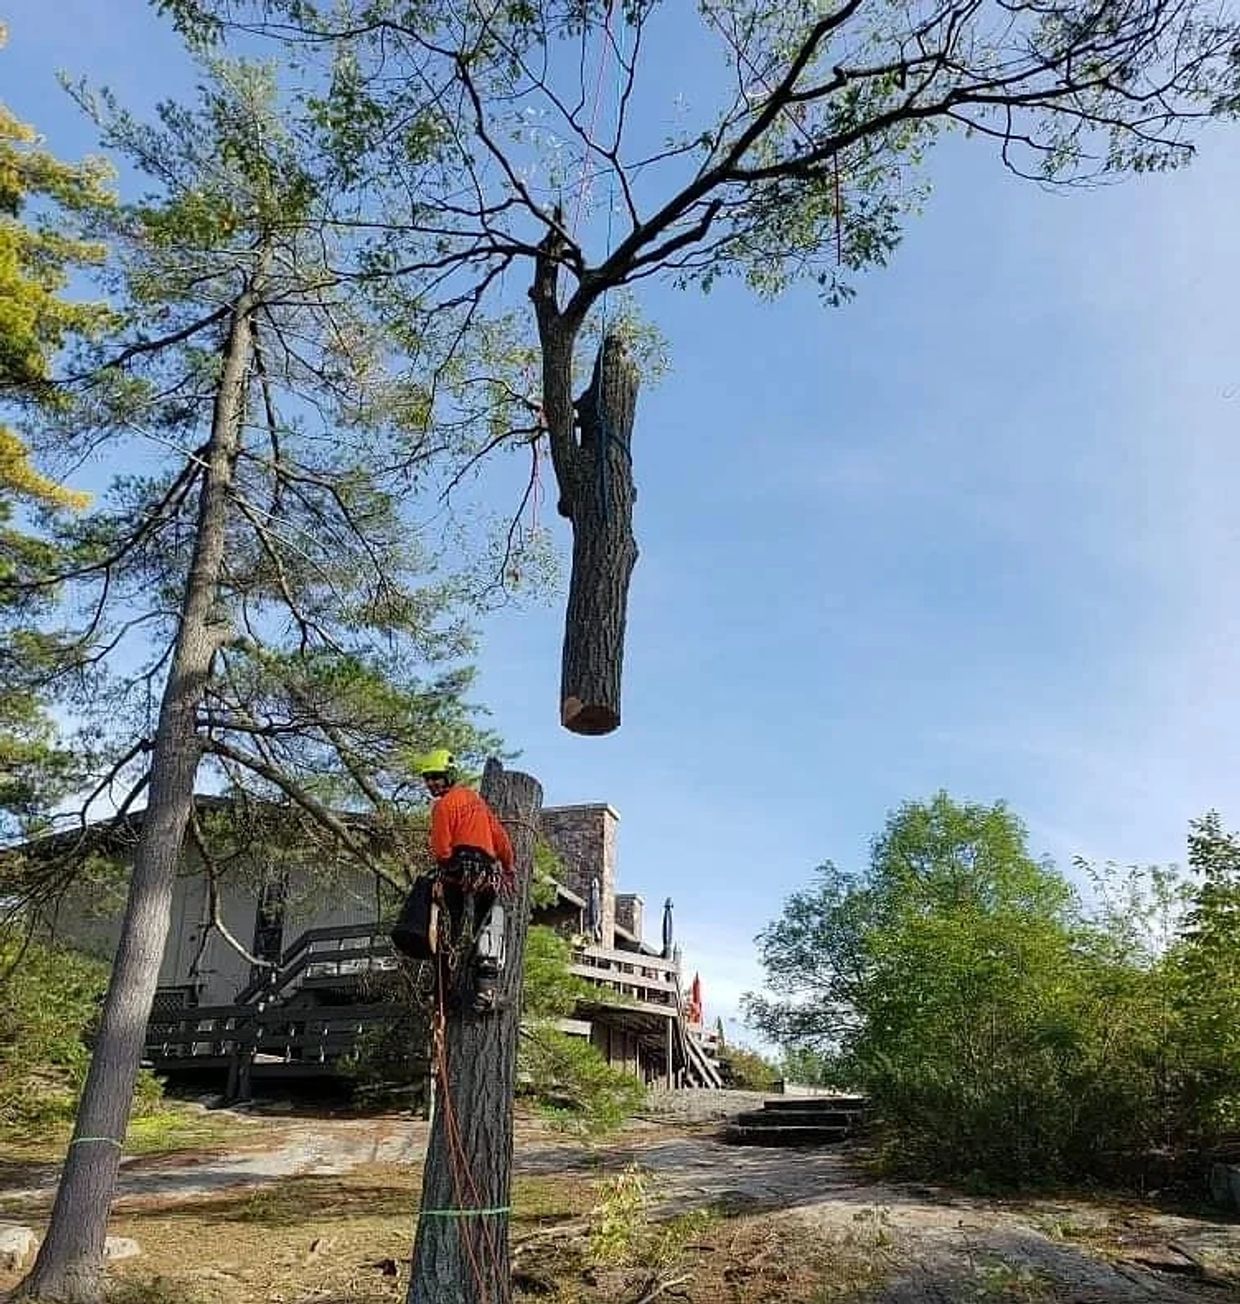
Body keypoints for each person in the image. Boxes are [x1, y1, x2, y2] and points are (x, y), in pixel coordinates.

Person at [390, 748, 514, 1013]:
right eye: (428, 778)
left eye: (436, 777)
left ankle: (444, 994)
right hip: (484, 877)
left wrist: (448, 870)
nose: (431, 783)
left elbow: (441, 849)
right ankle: (484, 991)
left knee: (449, 932)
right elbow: (501, 839)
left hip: (457, 877)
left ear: (449, 776)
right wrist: (508, 867)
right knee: (490, 924)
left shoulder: (444, 806)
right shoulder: (477, 803)